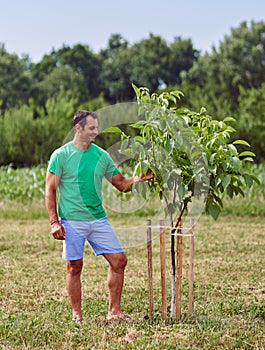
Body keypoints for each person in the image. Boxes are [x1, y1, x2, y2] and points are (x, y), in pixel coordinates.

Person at [45, 110, 153, 324]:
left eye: (96, 127)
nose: (96, 132)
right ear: (79, 128)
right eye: (92, 128)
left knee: (119, 261)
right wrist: (54, 222)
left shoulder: (101, 155)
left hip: (97, 220)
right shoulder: (61, 155)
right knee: (74, 266)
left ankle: (115, 311)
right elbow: (50, 190)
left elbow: (120, 184)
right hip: (71, 221)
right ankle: (77, 314)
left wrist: (140, 179)